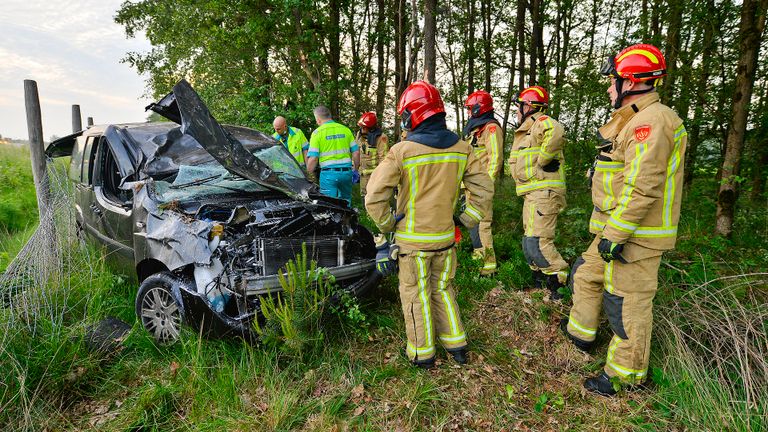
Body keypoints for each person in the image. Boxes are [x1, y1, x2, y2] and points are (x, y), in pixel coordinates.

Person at [562, 43, 687, 396]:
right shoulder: (634, 118)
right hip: (615, 226)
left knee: (627, 303)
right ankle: (581, 334)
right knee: (586, 275)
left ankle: (625, 376)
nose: (608, 87)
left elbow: (643, 186)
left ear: (630, 82)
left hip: (636, 234)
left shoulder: (652, 121)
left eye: (612, 80)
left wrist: (615, 234)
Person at [365, 81, 493, 369]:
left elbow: (374, 196)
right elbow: (484, 190)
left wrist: (387, 225)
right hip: (447, 239)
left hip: (413, 244)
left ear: (414, 115)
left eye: (405, 115)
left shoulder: (402, 151)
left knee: (415, 295)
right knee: (443, 290)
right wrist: (465, 219)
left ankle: (423, 354)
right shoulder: (463, 148)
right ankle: (456, 345)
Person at [507, 86, 569, 299]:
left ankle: (559, 286)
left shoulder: (540, 122)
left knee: (538, 242)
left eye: (519, 106)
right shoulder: (526, 131)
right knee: (528, 243)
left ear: (529, 106)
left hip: (544, 193)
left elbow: (557, 131)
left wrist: (543, 160)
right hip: (533, 194)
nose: (516, 111)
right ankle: (540, 286)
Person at [462, 90, 504, 276]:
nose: (469, 113)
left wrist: (486, 185)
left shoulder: (491, 128)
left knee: (484, 224)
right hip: (470, 186)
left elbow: (495, 158)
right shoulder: (474, 129)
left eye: (471, 109)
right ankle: (479, 256)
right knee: (473, 223)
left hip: (481, 188)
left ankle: (489, 266)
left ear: (480, 108)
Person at [306, 106, 360, 206]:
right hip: (346, 173)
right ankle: (347, 221)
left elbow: (313, 158)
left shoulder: (317, 133)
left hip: (328, 175)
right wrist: (356, 170)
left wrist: (307, 175)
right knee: (346, 202)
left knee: (329, 204)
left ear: (318, 119)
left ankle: (334, 221)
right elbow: (356, 152)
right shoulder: (345, 130)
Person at [356, 111, 389, 197]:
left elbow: (384, 159)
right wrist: (355, 169)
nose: (362, 129)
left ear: (371, 128)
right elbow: (357, 152)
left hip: (374, 177)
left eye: (364, 127)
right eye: (361, 127)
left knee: (373, 199)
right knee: (364, 197)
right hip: (363, 175)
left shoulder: (381, 138)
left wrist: (380, 176)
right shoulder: (360, 135)